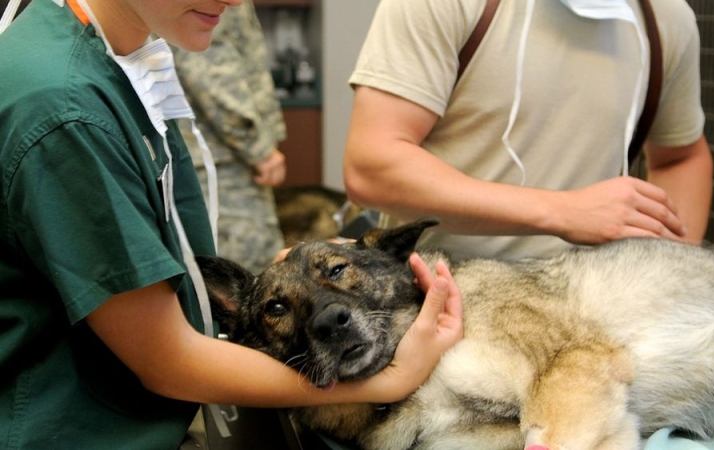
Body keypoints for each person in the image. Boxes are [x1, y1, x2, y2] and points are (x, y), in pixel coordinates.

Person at [0, 0, 463, 449]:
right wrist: (391, 380)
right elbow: (167, 360)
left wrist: (300, 276)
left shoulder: (118, 60)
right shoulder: (64, 111)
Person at [343, 0, 714, 262]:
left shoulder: (666, 19)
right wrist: (563, 211)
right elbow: (372, 166)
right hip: (442, 300)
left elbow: (681, 155)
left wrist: (670, 268)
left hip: (596, 303)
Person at [173, 0, 287, 275]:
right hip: (221, 160)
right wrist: (258, 148)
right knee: (250, 280)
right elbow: (209, 71)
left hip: (218, 154)